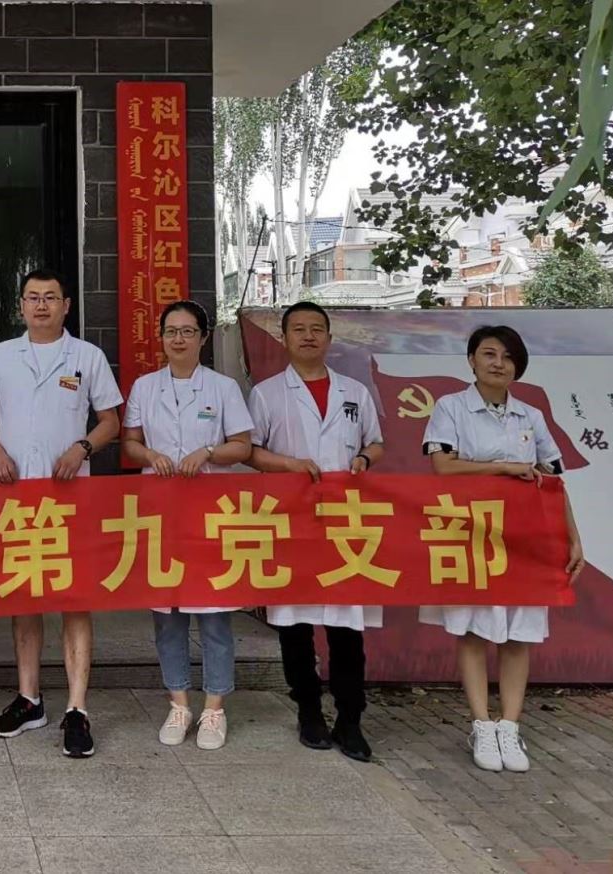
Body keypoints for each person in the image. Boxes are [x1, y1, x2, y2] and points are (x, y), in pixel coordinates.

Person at [419, 325, 584, 773]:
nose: (498, 363)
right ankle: (481, 723)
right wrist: (503, 469)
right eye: (489, 354)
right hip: (472, 532)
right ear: (471, 360)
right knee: (473, 630)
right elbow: (443, 466)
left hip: (526, 538)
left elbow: (552, 481)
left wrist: (573, 537)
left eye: (508, 357)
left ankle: (509, 725)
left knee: (518, 633)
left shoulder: (530, 415)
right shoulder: (451, 407)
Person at [0, 268, 121, 758]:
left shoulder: (87, 357)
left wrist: (82, 448)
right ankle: (29, 698)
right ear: (21, 305)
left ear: (66, 305)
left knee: (75, 598)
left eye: (50, 298)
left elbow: (110, 420)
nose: (41, 305)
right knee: (24, 596)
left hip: (71, 496)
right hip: (16, 495)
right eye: (33, 297)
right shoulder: (0, 356)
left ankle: (77, 709)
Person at [245, 301, 384, 762]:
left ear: (329, 337)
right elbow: (251, 452)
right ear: (284, 338)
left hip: (345, 522)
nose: (308, 336)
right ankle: (308, 711)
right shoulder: (267, 394)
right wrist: (288, 465)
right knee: (295, 623)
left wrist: (364, 459)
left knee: (347, 626)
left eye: (316, 329)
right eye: (299, 329)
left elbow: (376, 442)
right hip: (292, 520)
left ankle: (350, 718)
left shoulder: (354, 391)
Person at [120, 301, 253, 751]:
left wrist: (209, 453)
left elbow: (242, 445)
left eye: (188, 331)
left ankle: (214, 707)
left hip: (211, 511)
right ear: (160, 337)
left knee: (214, 613)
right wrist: (149, 455)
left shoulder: (222, 387)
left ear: (203, 337)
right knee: (167, 613)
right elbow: (130, 442)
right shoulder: (145, 387)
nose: (178, 339)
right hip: (160, 511)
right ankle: (179, 703)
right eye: (171, 331)